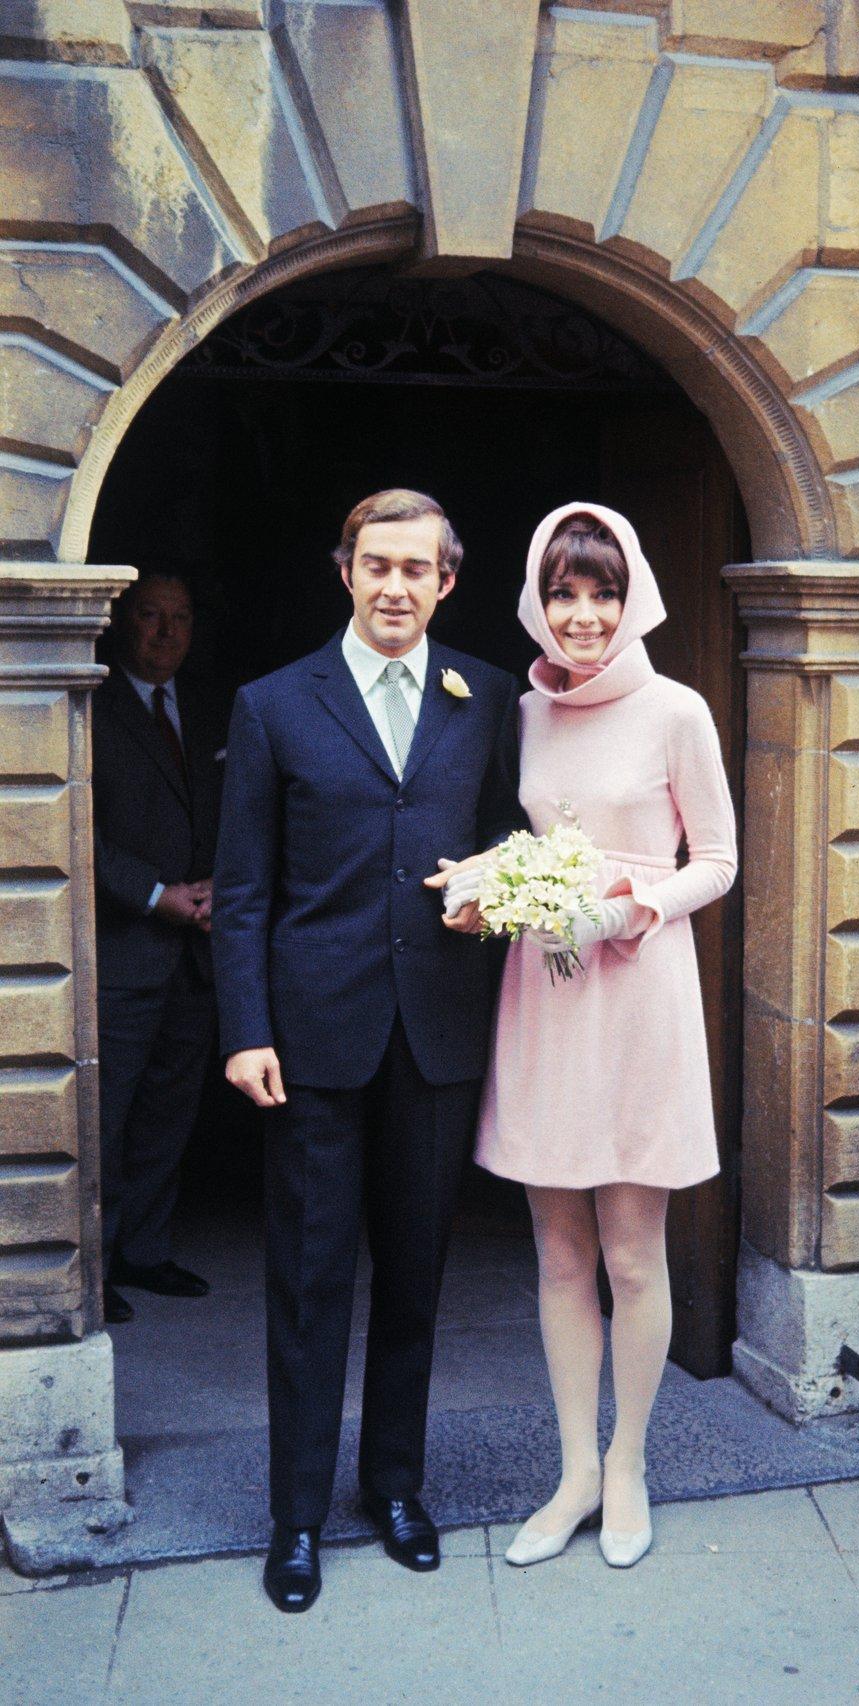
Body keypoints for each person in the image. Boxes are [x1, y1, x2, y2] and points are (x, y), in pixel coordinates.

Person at [210, 489, 524, 1614]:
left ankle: (395, 1486)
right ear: (343, 570)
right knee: (306, 1280)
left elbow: (509, 833)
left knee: (415, 1274)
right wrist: (244, 1026)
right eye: (375, 564)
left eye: (418, 568)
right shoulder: (273, 703)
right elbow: (242, 889)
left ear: (448, 578)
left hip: (435, 1031)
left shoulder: (484, 694)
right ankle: (295, 1516)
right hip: (309, 1039)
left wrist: (495, 886)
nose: (395, 586)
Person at [469, 502, 736, 1569]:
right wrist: (489, 889)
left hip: (635, 989)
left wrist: (628, 909)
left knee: (631, 1249)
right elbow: (511, 836)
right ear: (537, 598)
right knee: (557, 1249)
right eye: (564, 591)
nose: (582, 614)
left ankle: (628, 1461)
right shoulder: (520, 711)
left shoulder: (676, 709)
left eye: (603, 590)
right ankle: (573, 1466)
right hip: (542, 988)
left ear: (634, 599)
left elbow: (714, 856)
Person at [92, 569, 221, 1326]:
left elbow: (246, 808)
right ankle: (94, 1265)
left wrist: (214, 890)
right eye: (150, 616)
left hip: (196, 951)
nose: (166, 632)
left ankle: (143, 1249)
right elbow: (70, 826)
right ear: (120, 622)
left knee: (169, 1113)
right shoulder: (90, 704)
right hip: (123, 948)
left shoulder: (208, 710)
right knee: (104, 1120)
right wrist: (154, 895)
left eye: (180, 617)